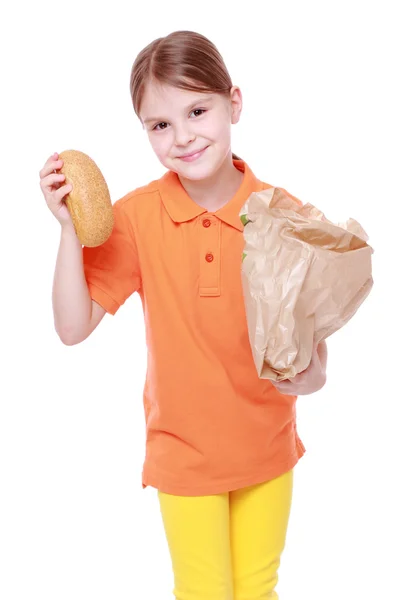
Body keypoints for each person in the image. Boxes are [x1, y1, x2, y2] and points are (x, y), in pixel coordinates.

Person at [39, 29, 327, 600]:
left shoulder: (285, 215)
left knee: (256, 588)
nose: (183, 136)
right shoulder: (139, 217)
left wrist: (304, 376)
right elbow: (72, 329)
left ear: (233, 103)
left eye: (198, 110)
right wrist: (71, 231)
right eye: (160, 124)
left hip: (266, 445)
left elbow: (317, 372)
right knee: (204, 591)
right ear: (144, 130)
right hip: (184, 452)